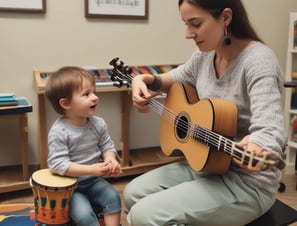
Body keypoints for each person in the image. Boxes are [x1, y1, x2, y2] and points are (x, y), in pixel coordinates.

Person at [123, 0, 287, 225]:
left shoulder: (259, 61)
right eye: (185, 24)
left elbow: (270, 128)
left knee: (143, 216)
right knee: (132, 194)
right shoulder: (204, 56)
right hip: (208, 164)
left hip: (248, 183)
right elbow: (170, 79)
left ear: (226, 17)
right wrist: (142, 80)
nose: (188, 34)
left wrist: (260, 145)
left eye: (196, 24)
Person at [45, 66, 122, 226]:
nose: (94, 98)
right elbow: (58, 165)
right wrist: (92, 169)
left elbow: (107, 145)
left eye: (94, 92)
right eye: (86, 94)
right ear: (66, 103)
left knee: (113, 197)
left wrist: (111, 159)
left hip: (93, 181)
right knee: (85, 215)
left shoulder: (98, 124)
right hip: (70, 187)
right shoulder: (59, 132)